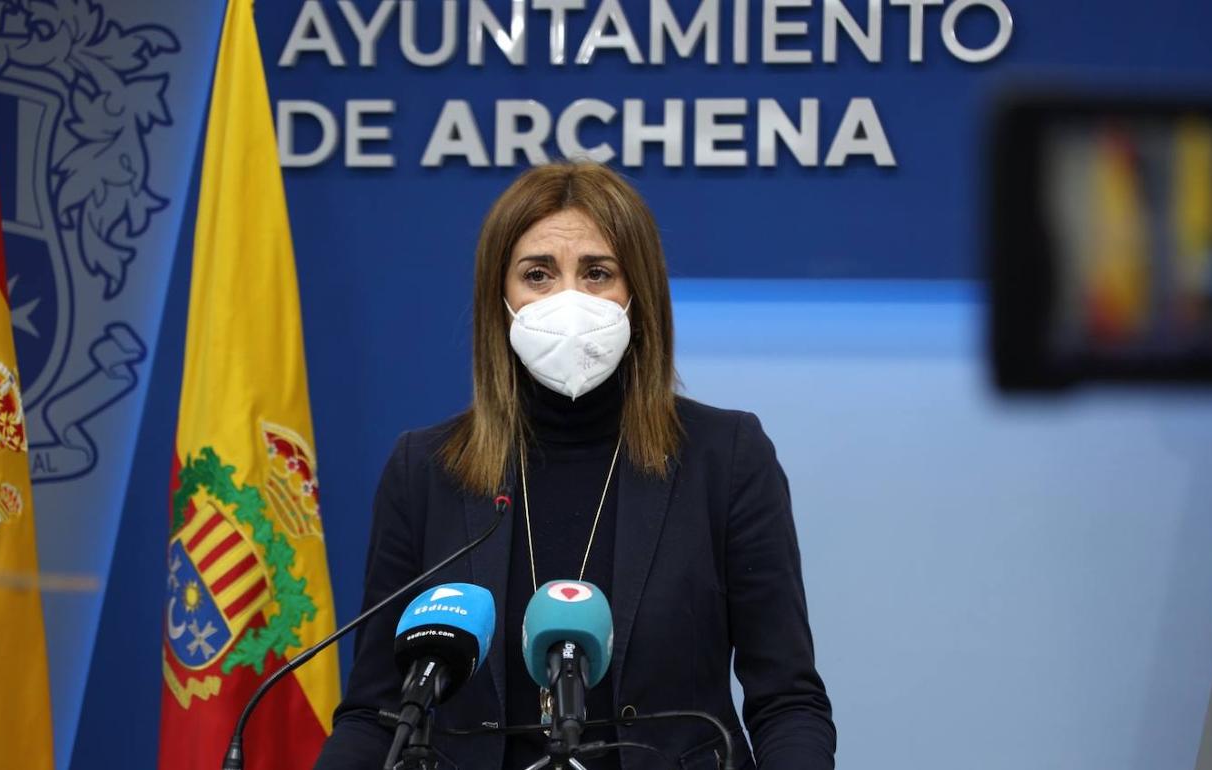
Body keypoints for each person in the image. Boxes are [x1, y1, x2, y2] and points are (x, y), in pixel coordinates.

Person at [315, 162, 835, 769]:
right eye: (538, 274)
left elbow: (787, 702)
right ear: (499, 300)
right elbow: (376, 713)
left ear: (637, 294)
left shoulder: (726, 456)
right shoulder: (424, 470)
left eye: (597, 273)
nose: (568, 299)